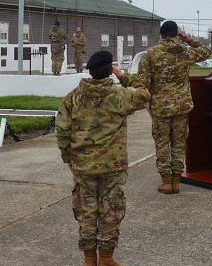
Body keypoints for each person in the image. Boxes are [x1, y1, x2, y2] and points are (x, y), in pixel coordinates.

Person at [56, 50, 150, 266]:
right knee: (110, 212)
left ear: (89, 71)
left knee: (86, 213)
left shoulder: (73, 97)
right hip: (112, 167)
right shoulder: (119, 96)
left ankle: (89, 261)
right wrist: (124, 76)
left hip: (83, 167)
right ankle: (106, 259)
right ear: (110, 71)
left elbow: (62, 130)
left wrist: (68, 158)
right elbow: (145, 93)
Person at [136, 20, 210, 194]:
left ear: (161, 35)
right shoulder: (185, 52)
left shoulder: (151, 54)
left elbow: (142, 83)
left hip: (160, 107)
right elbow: (206, 52)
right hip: (181, 107)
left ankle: (166, 182)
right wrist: (188, 39)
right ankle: (176, 181)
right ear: (177, 34)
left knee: (162, 144)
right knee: (179, 143)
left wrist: (147, 102)